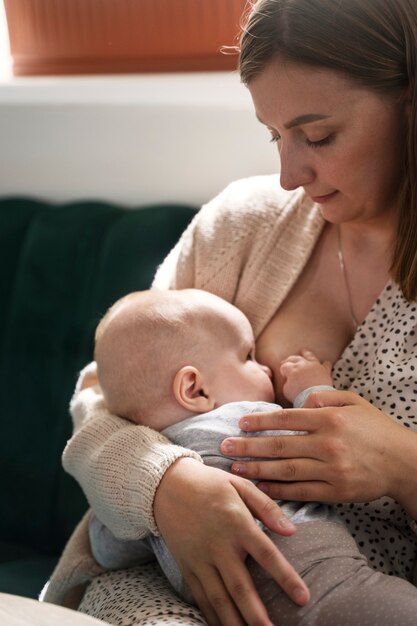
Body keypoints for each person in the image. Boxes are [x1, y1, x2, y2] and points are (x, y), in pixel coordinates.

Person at [43, 0, 417, 624]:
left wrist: (400, 465)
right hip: (162, 593)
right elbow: (103, 394)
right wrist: (164, 488)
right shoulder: (243, 224)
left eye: (318, 135)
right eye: (275, 135)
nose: (289, 174)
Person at [87, 287, 417, 625]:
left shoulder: (144, 497)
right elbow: (332, 443)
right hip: (335, 592)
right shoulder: (245, 421)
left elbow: (105, 549)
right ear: (195, 389)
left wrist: (149, 507)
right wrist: (312, 388)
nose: (267, 370)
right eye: (248, 357)